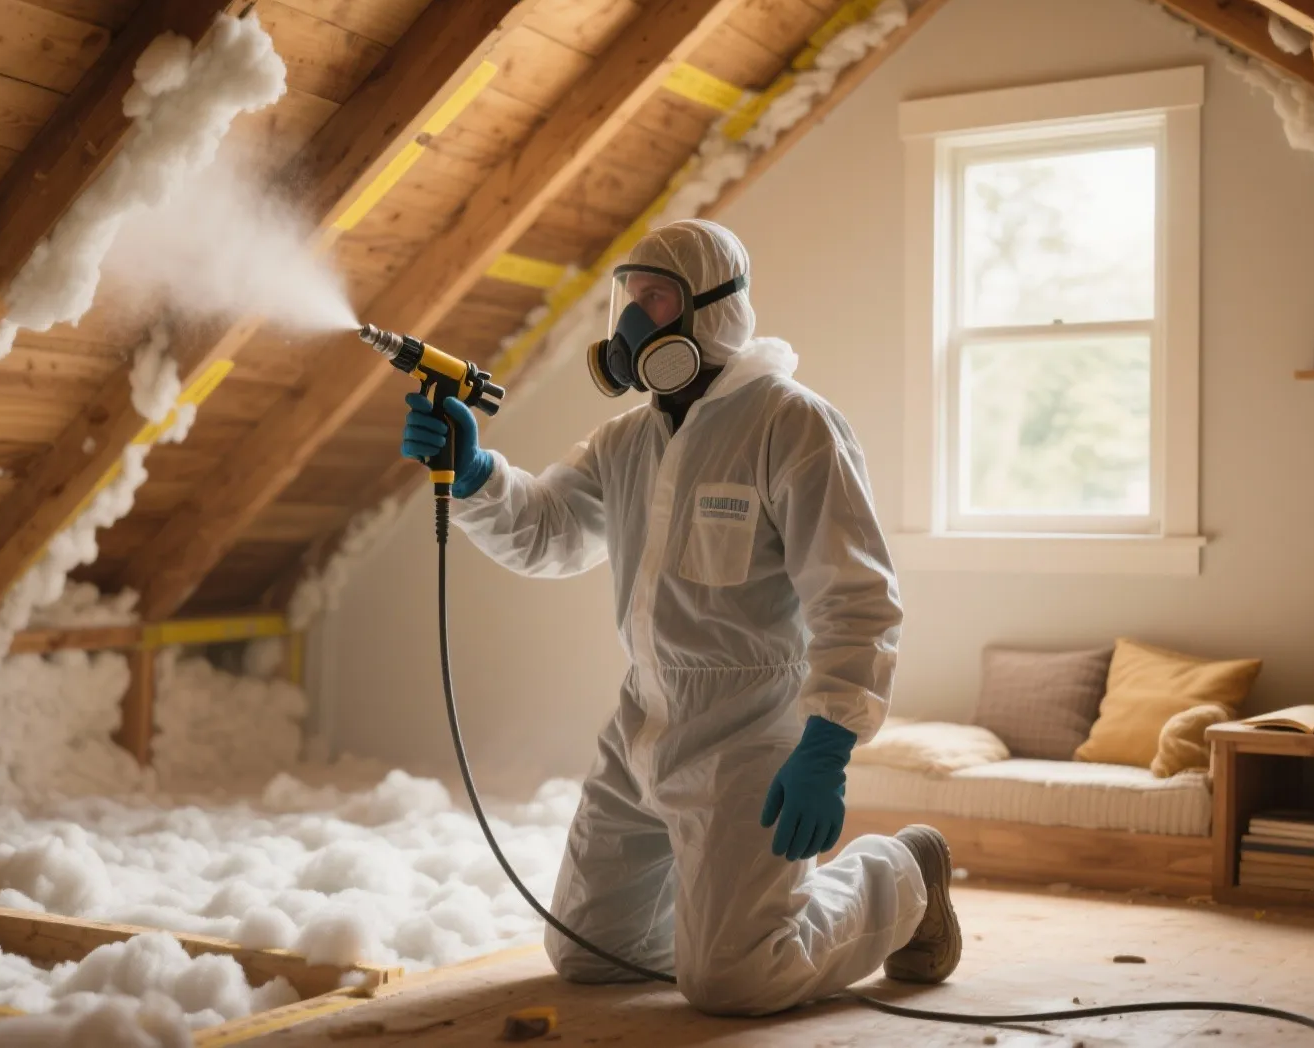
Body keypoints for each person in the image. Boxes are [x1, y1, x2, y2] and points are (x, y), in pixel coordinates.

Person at [400, 219, 959, 1015]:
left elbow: (856, 595)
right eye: (628, 299)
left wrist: (828, 741)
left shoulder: (791, 424)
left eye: (655, 298)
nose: (633, 321)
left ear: (713, 310)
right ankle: (721, 920)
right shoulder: (628, 439)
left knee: (736, 979)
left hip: (749, 734)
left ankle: (902, 877)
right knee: (590, 953)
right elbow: (549, 532)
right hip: (644, 723)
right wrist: (477, 471)